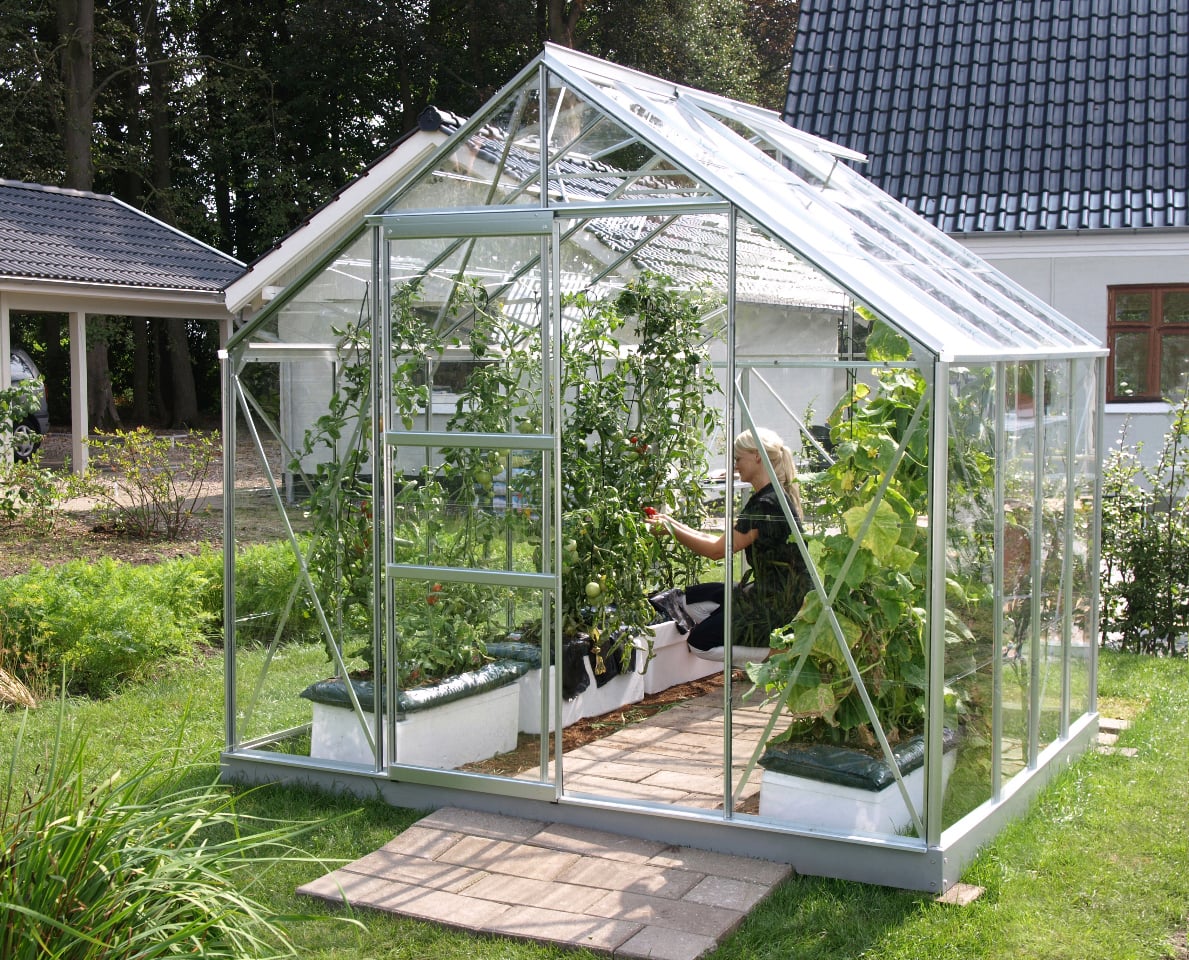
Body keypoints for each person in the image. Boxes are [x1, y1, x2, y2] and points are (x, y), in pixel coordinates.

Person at [647, 427, 810, 655]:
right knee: (694, 597)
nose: (735, 465)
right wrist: (671, 524)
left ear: (757, 456)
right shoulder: (771, 496)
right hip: (778, 591)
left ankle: (781, 655)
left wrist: (671, 530)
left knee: (700, 643)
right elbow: (719, 541)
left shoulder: (766, 504)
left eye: (738, 458)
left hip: (779, 601)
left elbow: (717, 551)